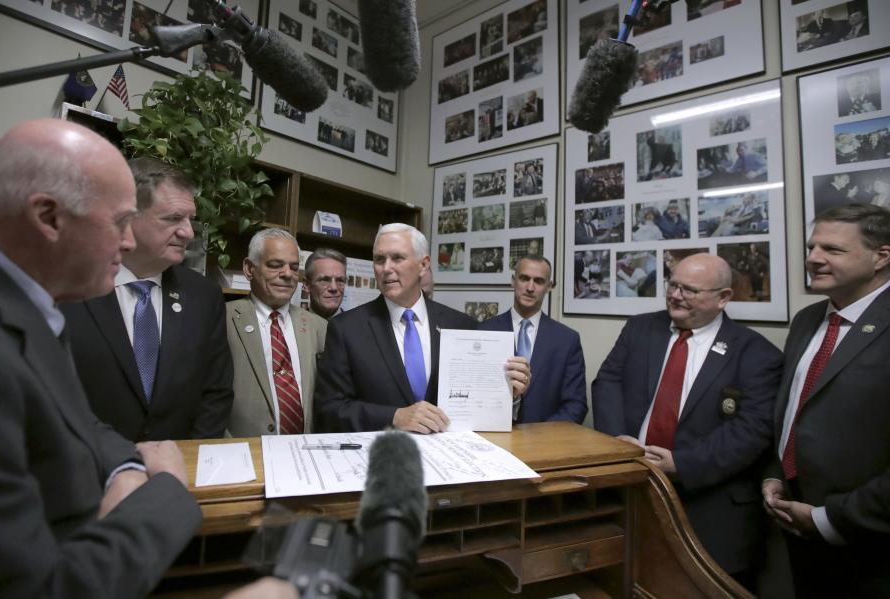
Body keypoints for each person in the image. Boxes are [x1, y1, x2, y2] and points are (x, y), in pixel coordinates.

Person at [0, 119, 201, 597]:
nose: (129, 242)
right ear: (49, 217)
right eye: (119, 222)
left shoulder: (11, 303)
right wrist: (169, 493)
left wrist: (125, 469)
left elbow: (77, 421)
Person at [592, 254, 782, 589]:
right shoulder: (640, 328)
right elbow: (607, 381)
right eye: (673, 284)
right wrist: (616, 439)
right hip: (629, 489)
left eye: (690, 290)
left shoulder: (756, 354)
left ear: (723, 298)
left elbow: (752, 429)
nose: (675, 295)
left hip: (707, 506)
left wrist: (682, 463)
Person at [762, 204, 890, 598]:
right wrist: (773, 474)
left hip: (870, 543)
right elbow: (792, 412)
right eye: (812, 246)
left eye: (832, 249)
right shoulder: (807, 320)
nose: (813, 258)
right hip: (796, 524)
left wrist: (830, 519)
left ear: (880, 257)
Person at [63, 157, 233, 441]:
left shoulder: (203, 297)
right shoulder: (69, 289)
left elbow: (215, 393)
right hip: (89, 472)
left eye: (190, 219)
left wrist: (186, 465)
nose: (188, 233)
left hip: (180, 472)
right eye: (172, 218)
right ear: (127, 217)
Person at [315, 224, 531, 433]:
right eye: (379, 259)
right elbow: (330, 410)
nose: (386, 268)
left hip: (450, 460)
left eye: (397, 258)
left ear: (423, 265)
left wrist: (505, 393)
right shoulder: (347, 329)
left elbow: (475, 408)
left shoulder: (461, 325)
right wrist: (395, 417)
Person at [227, 229, 327, 437]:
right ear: (249, 269)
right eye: (275, 265)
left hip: (306, 452)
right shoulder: (222, 319)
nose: (287, 274)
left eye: (294, 267)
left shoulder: (319, 327)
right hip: (242, 453)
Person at [479, 257, 587, 423]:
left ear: (549, 287)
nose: (530, 287)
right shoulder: (484, 331)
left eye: (538, 281)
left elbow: (575, 405)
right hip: (492, 438)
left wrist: (539, 440)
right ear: (513, 281)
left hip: (545, 444)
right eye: (524, 278)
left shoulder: (567, 340)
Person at [302, 247, 347, 319]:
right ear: (307, 285)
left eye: (340, 280)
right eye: (325, 280)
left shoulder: (358, 327)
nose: (334, 288)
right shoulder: (291, 327)